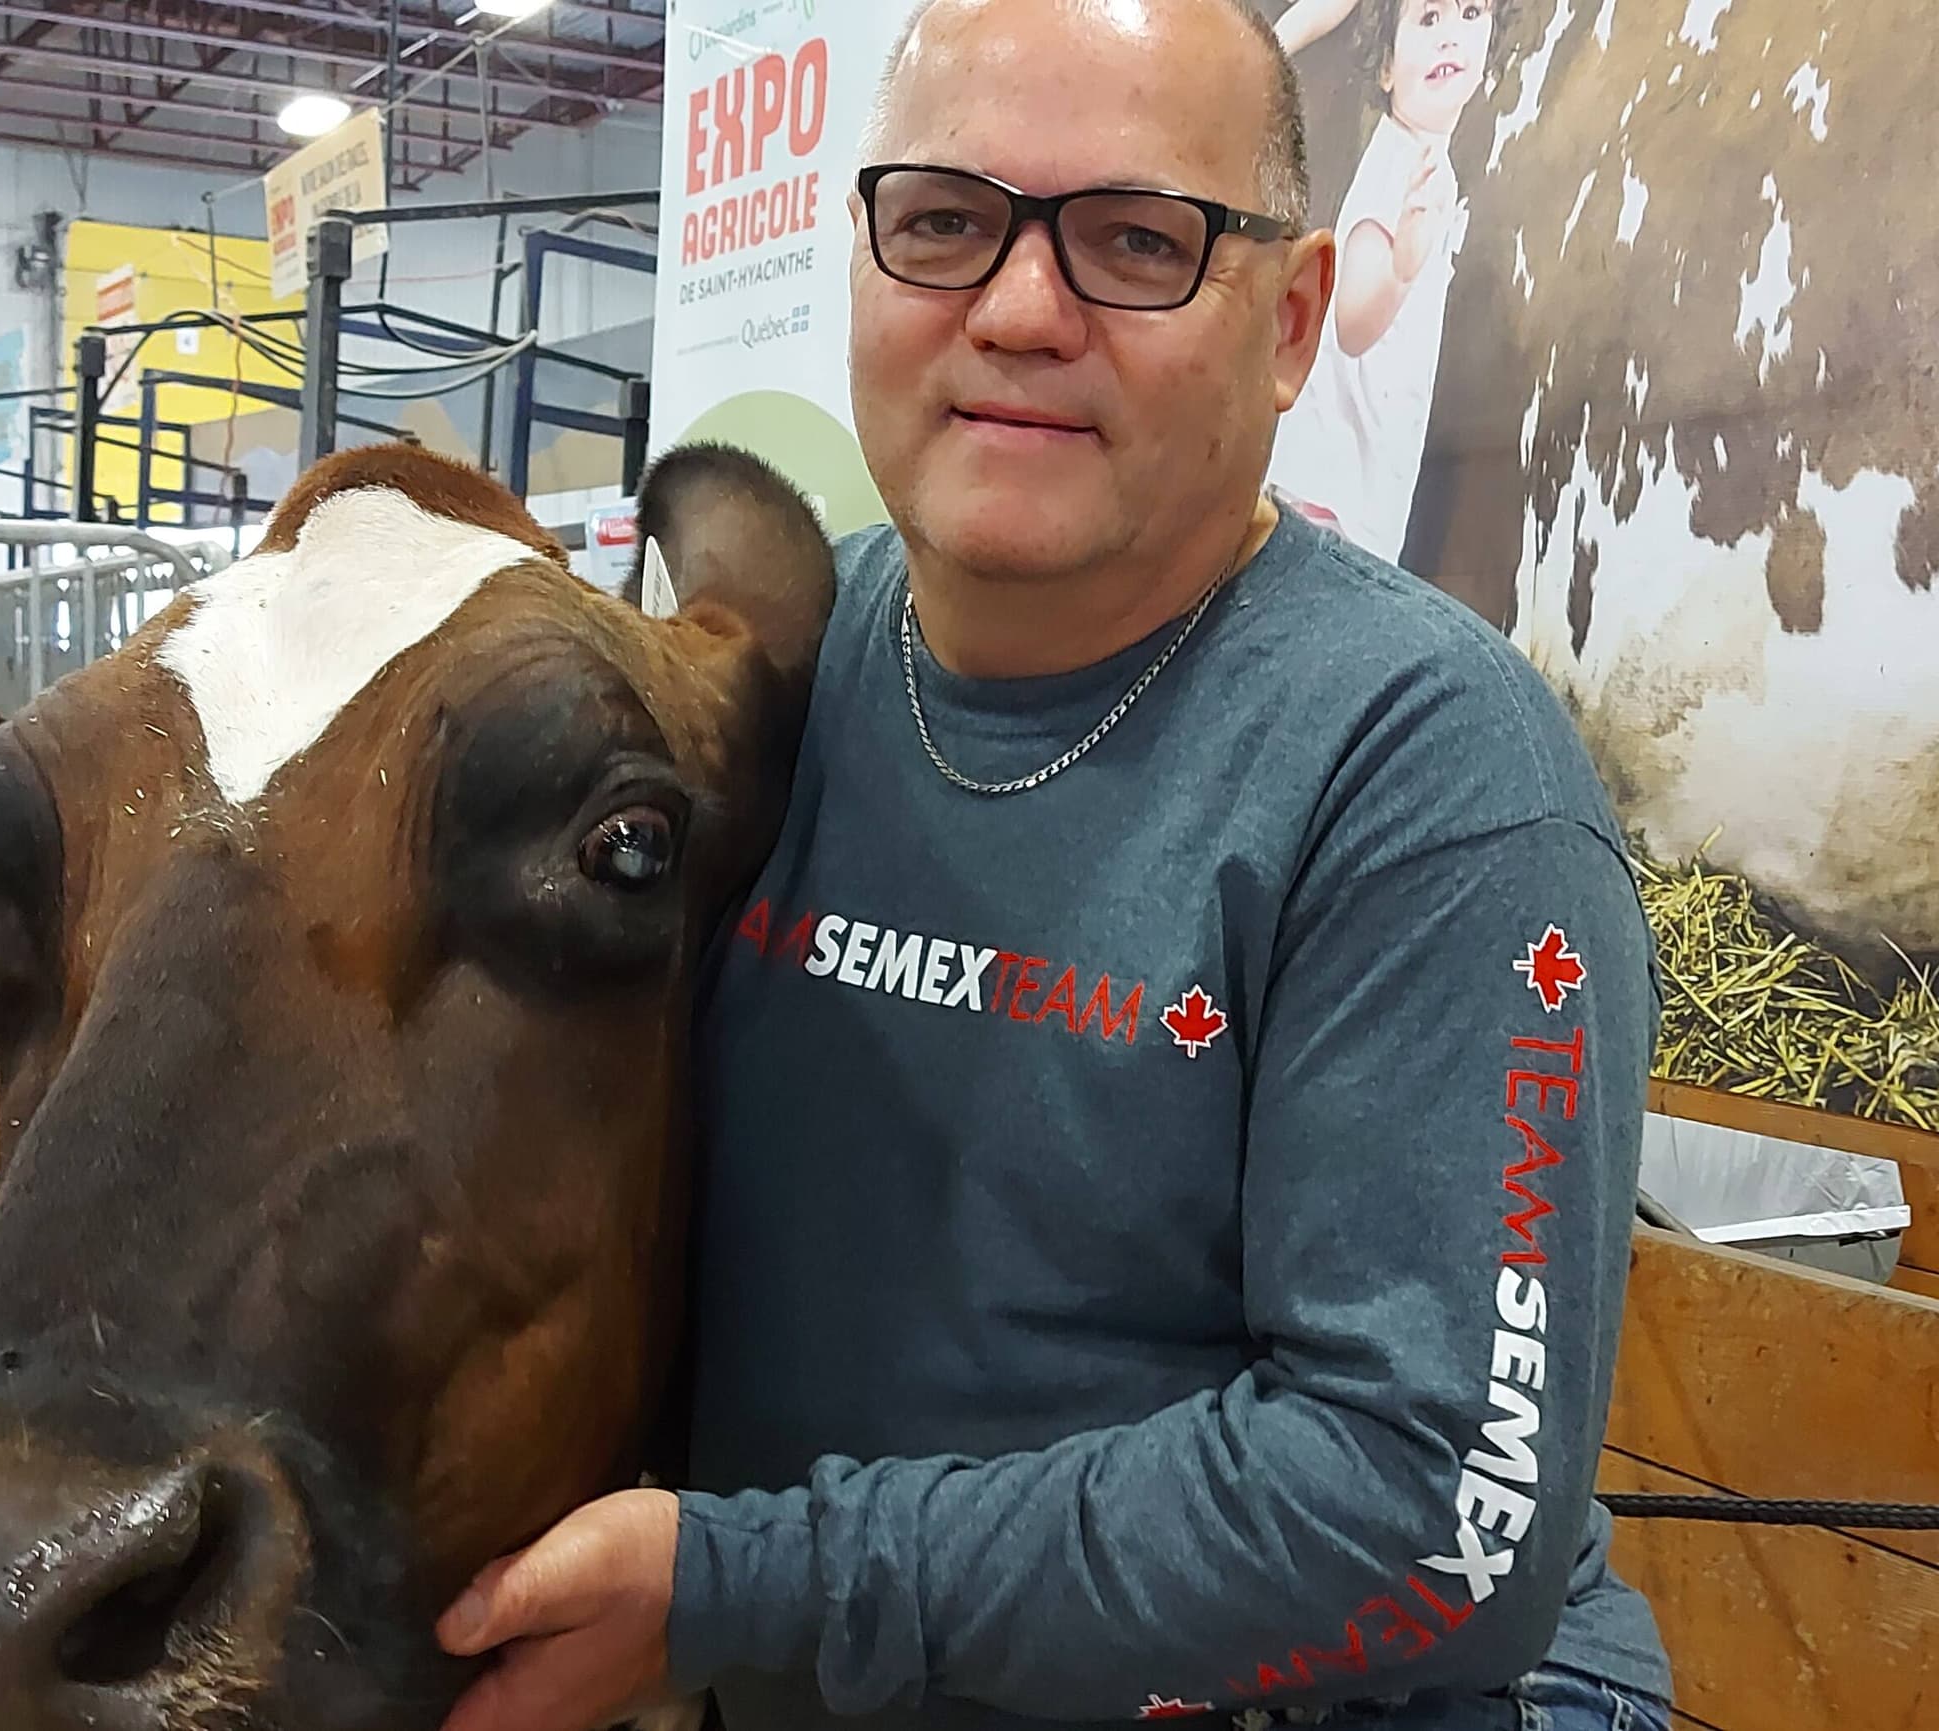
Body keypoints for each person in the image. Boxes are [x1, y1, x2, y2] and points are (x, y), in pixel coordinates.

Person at [429, 4, 1670, 1731]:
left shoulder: (1432, 776)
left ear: (1296, 321)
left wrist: (750, 1586)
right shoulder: (753, 680)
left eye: (1137, 242)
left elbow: (1438, 1519)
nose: (1018, 312)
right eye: (944, 221)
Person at [1264, 0, 1494, 563]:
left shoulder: (1425, 160)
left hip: (1346, 483)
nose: (1450, 38)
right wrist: (1400, 271)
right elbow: (1352, 322)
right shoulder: (1398, 166)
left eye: (1470, 14)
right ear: (1387, 69)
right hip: (1332, 490)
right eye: (1429, 20)